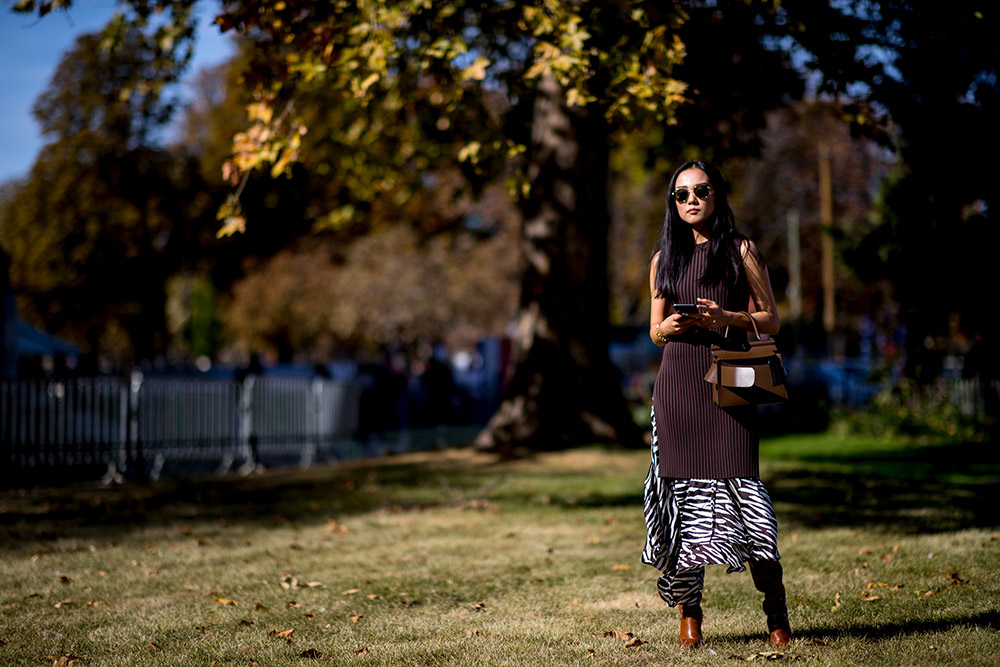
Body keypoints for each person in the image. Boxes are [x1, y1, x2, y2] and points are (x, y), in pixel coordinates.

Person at [640, 160, 791, 648]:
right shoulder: (663, 258)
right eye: (680, 195)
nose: (691, 201)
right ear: (673, 204)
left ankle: (776, 614)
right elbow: (655, 332)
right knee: (684, 505)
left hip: (728, 386)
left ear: (717, 195)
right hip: (678, 390)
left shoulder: (741, 250)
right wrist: (674, 327)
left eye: (700, 191)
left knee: (747, 497)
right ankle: (690, 619)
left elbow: (771, 321)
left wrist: (727, 316)